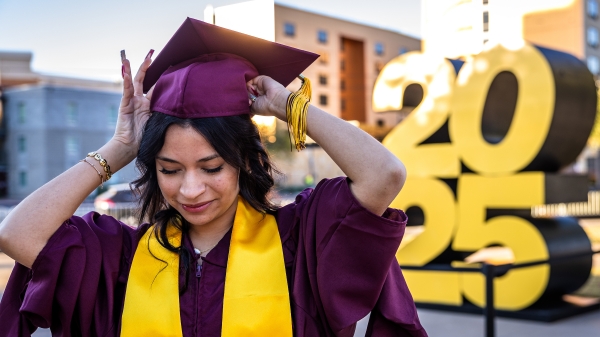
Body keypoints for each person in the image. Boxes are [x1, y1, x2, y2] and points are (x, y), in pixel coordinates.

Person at [0, 18, 426, 337]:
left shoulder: (300, 243)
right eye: (169, 169)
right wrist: (121, 147)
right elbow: (17, 234)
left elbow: (384, 175)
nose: (189, 189)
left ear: (244, 160)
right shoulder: (121, 257)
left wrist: (287, 106)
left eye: (211, 167)